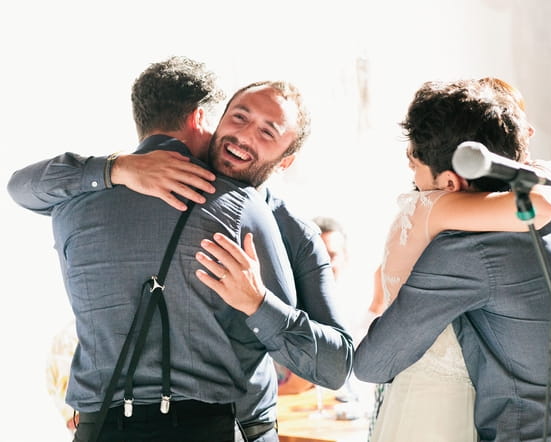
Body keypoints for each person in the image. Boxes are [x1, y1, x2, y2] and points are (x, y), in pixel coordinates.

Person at [7, 56, 352, 442]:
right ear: (207, 119)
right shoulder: (241, 209)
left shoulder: (71, 200)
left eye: (268, 132)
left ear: (286, 161)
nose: (243, 136)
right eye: (239, 117)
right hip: (218, 428)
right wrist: (119, 167)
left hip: (99, 429)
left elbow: (19, 187)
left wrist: (257, 302)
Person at [354, 79, 551, 441]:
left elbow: (373, 363)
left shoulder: (464, 251)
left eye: (416, 167)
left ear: (451, 183)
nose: (416, 183)